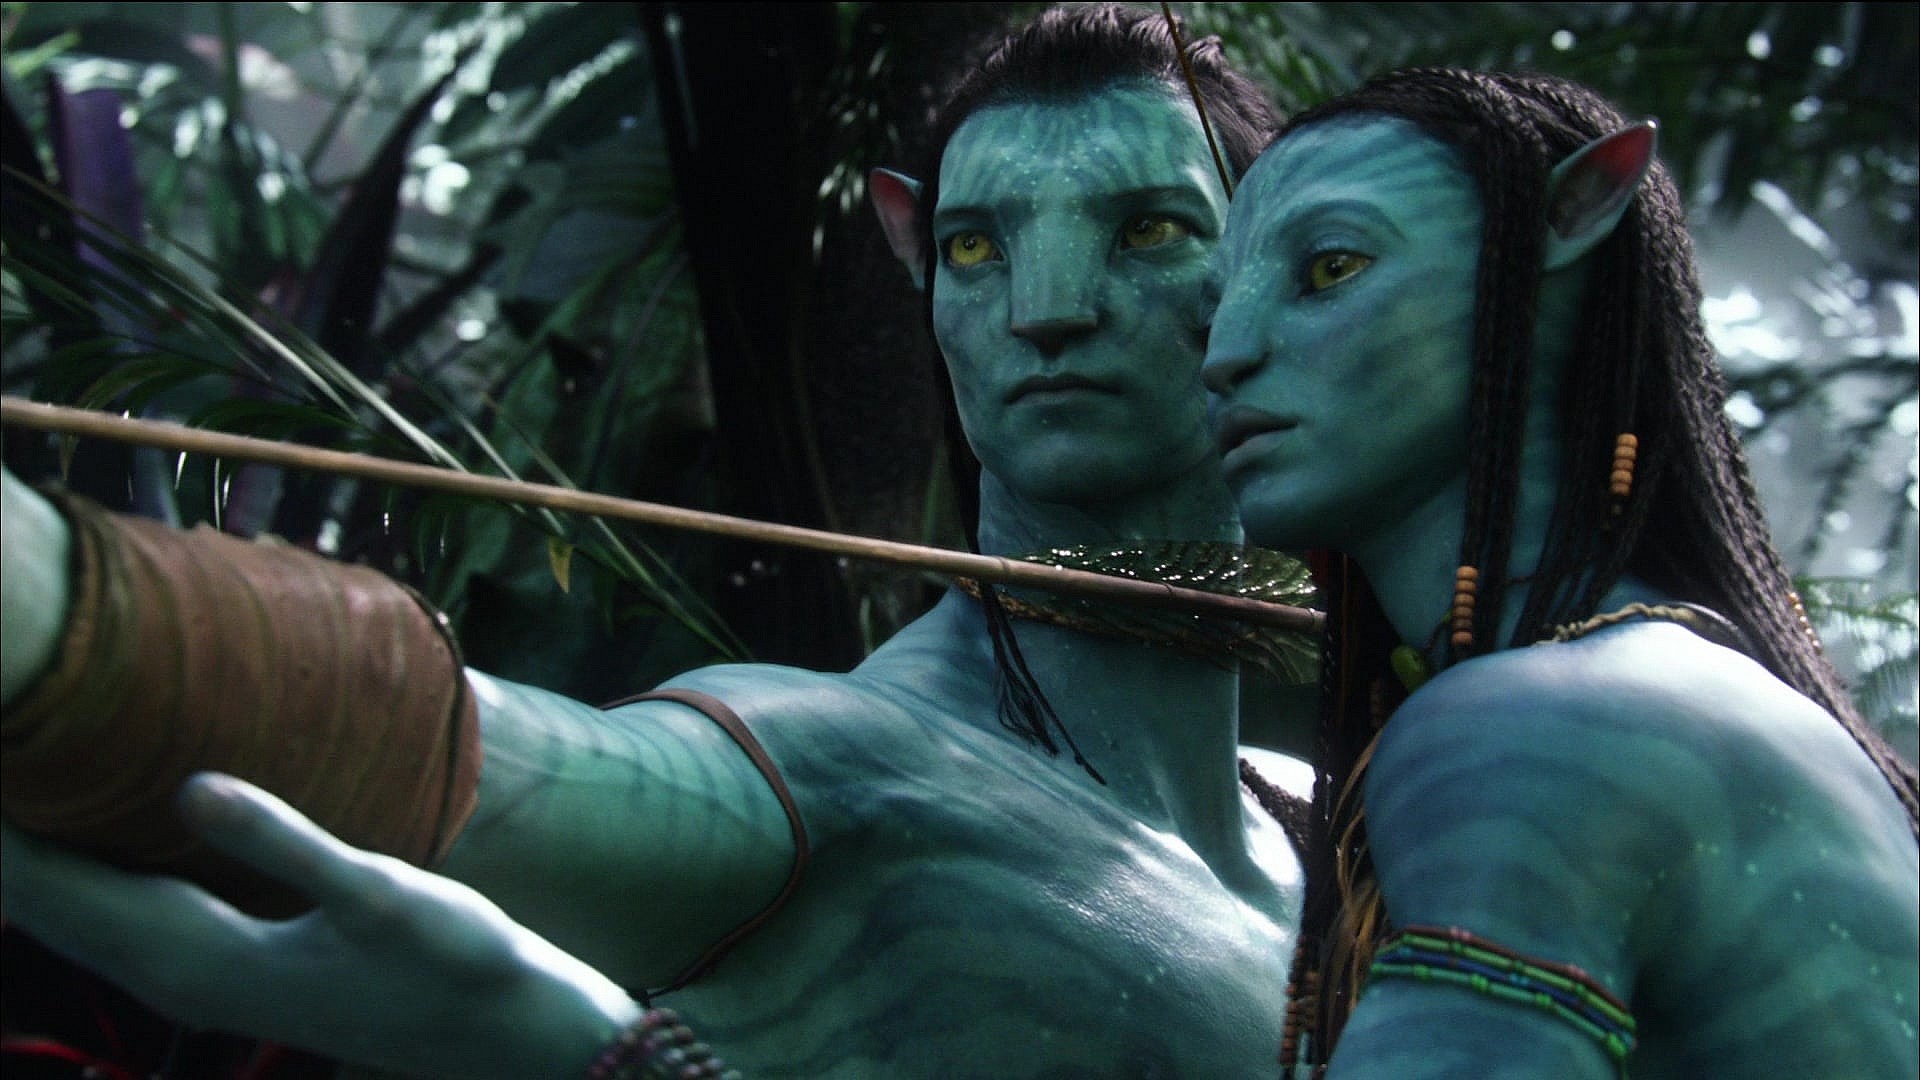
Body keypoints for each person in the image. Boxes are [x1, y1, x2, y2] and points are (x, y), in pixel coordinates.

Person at [2, 5, 1312, 1077]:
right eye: (975, 245)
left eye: (1148, 229)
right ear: (917, 258)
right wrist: (62, 605)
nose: (1045, 309)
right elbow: (472, 747)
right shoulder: (833, 771)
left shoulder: (1326, 816)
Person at [1199, 66, 1920, 1077]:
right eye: (1215, 303)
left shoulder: (1536, 727)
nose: (1223, 353)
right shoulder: (1682, 686)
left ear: (1569, 222)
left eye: (1330, 268)